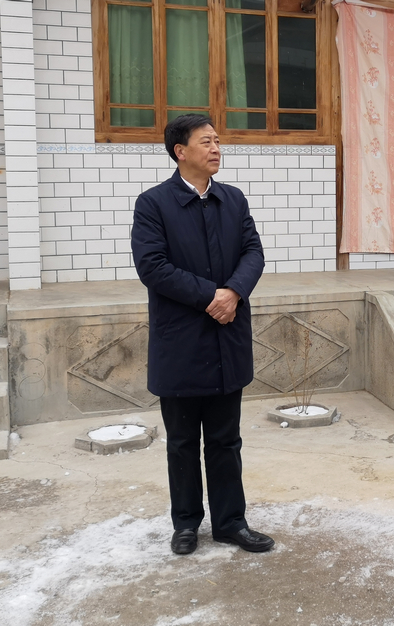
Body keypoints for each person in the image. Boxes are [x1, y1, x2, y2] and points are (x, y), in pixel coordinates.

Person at [131, 114, 273, 556]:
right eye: (206, 142)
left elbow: (253, 251)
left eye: (217, 141)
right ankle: (186, 524)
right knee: (181, 443)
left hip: (227, 339)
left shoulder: (233, 199)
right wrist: (212, 296)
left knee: (226, 440)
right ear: (180, 151)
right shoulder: (154, 204)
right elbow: (152, 267)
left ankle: (231, 522)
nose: (216, 148)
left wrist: (234, 292)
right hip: (182, 342)